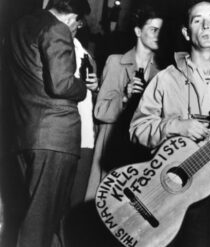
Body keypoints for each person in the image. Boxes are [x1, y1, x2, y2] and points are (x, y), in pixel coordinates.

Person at [129, 1, 210, 246]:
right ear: (187, 32)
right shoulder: (165, 79)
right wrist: (177, 126)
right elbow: (137, 130)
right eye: (197, 20)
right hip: (165, 187)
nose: (206, 25)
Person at [7, 0, 95, 246]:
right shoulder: (58, 29)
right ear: (73, 16)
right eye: (77, 23)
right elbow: (63, 84)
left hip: (26, 134)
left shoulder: (20, 27)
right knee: (41, 224)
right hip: (55, 138)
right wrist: (84, 87)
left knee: (36, 218)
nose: (75, 28)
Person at [84, 5, 164, 200]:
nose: (158, 35)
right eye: (153, 30)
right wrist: (125, 98)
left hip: (140, 151)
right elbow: (101, 111)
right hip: (112, 145)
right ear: (138, 31)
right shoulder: (116, 62)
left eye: (162, 31)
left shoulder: (162, 74)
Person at [70, 19, 99, 208]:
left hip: (85, 137)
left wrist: (95, 88)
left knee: (76, 197)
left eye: (78, 22)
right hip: (61, 134)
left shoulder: (86, 56)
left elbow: (96, 105)